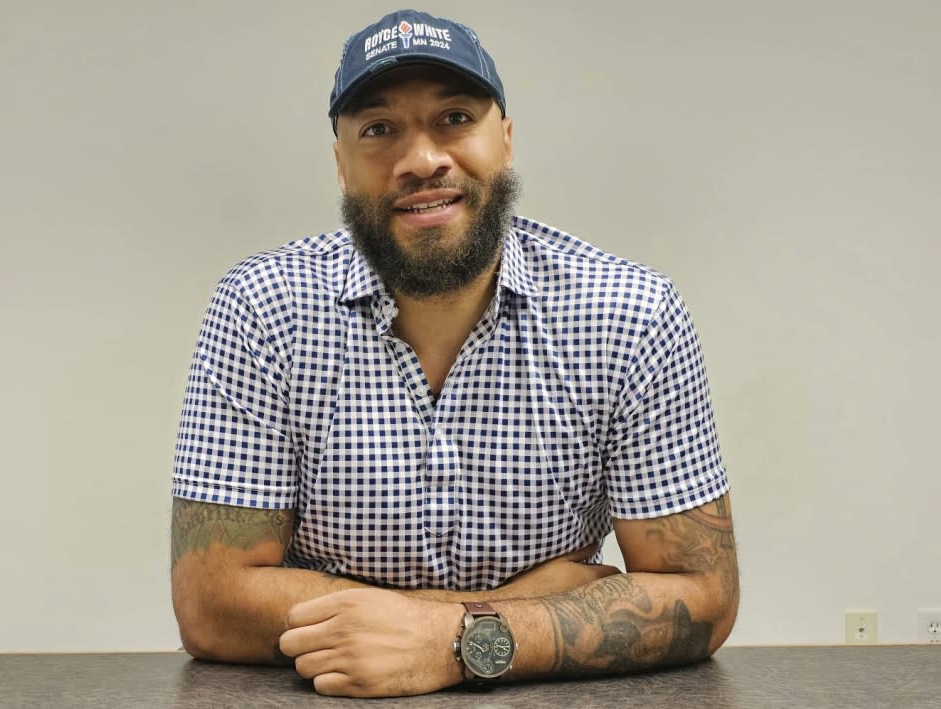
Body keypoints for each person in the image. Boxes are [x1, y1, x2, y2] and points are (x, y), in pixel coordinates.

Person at [170, 9, 738, 698]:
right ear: (341, 165)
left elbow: (703, 596)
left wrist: (453, 641)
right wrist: (523, 606)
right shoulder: (262, 310)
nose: (422, 159)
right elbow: (210, 603)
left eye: (455, 118)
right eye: (379, 129)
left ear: (505, 138)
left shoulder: (632, 315)